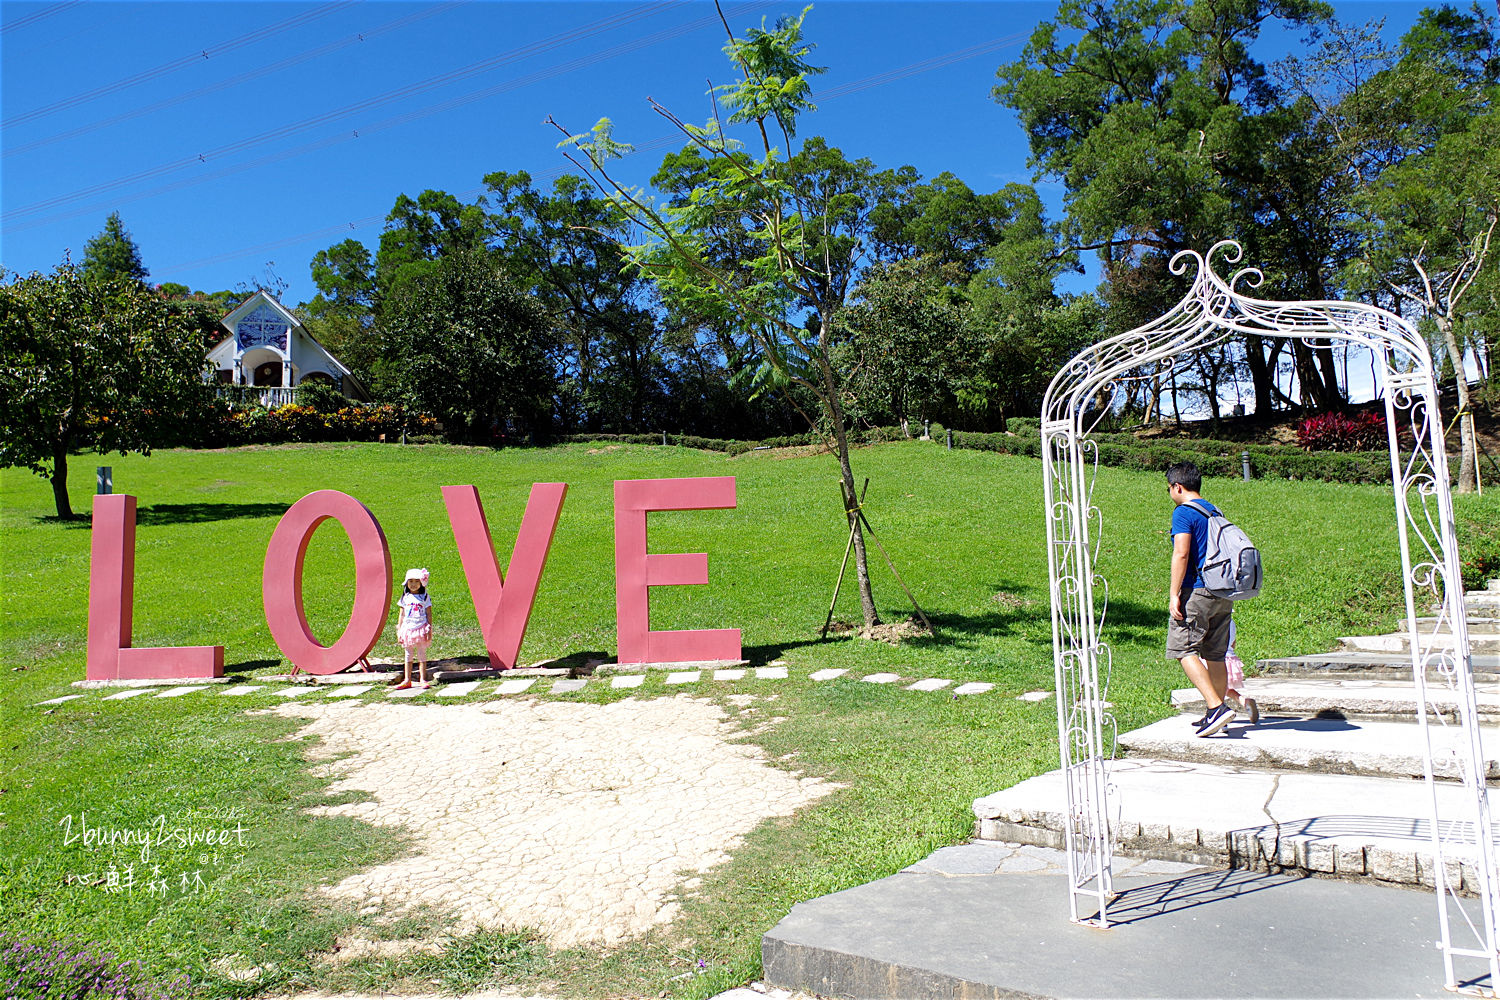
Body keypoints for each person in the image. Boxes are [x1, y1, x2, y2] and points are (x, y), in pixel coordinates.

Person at [1165, 462, 1236, 736]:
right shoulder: (1213, 510)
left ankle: (1216, 707)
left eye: (1169, 488)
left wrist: (1174, 594)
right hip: (1222, 591)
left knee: (1183, 648)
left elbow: (1181, 553)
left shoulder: (1183, 512)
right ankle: (1216, 712)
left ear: (1177, 487)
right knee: (1215, 654)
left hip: (1197, 590)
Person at [394, 568, 433, 690]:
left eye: (416, 581)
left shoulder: (425, 597)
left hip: (420, 627)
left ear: (421, 582)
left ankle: (422, 679)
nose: (413, 584)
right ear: (406, 583)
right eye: (410, 581)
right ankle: (407, 679)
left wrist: (429, 628)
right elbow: (401, 614)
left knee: (421, 653)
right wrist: (399, 629)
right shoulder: (405, 597)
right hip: (408, 629)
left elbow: (429, 613)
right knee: (408, 654)